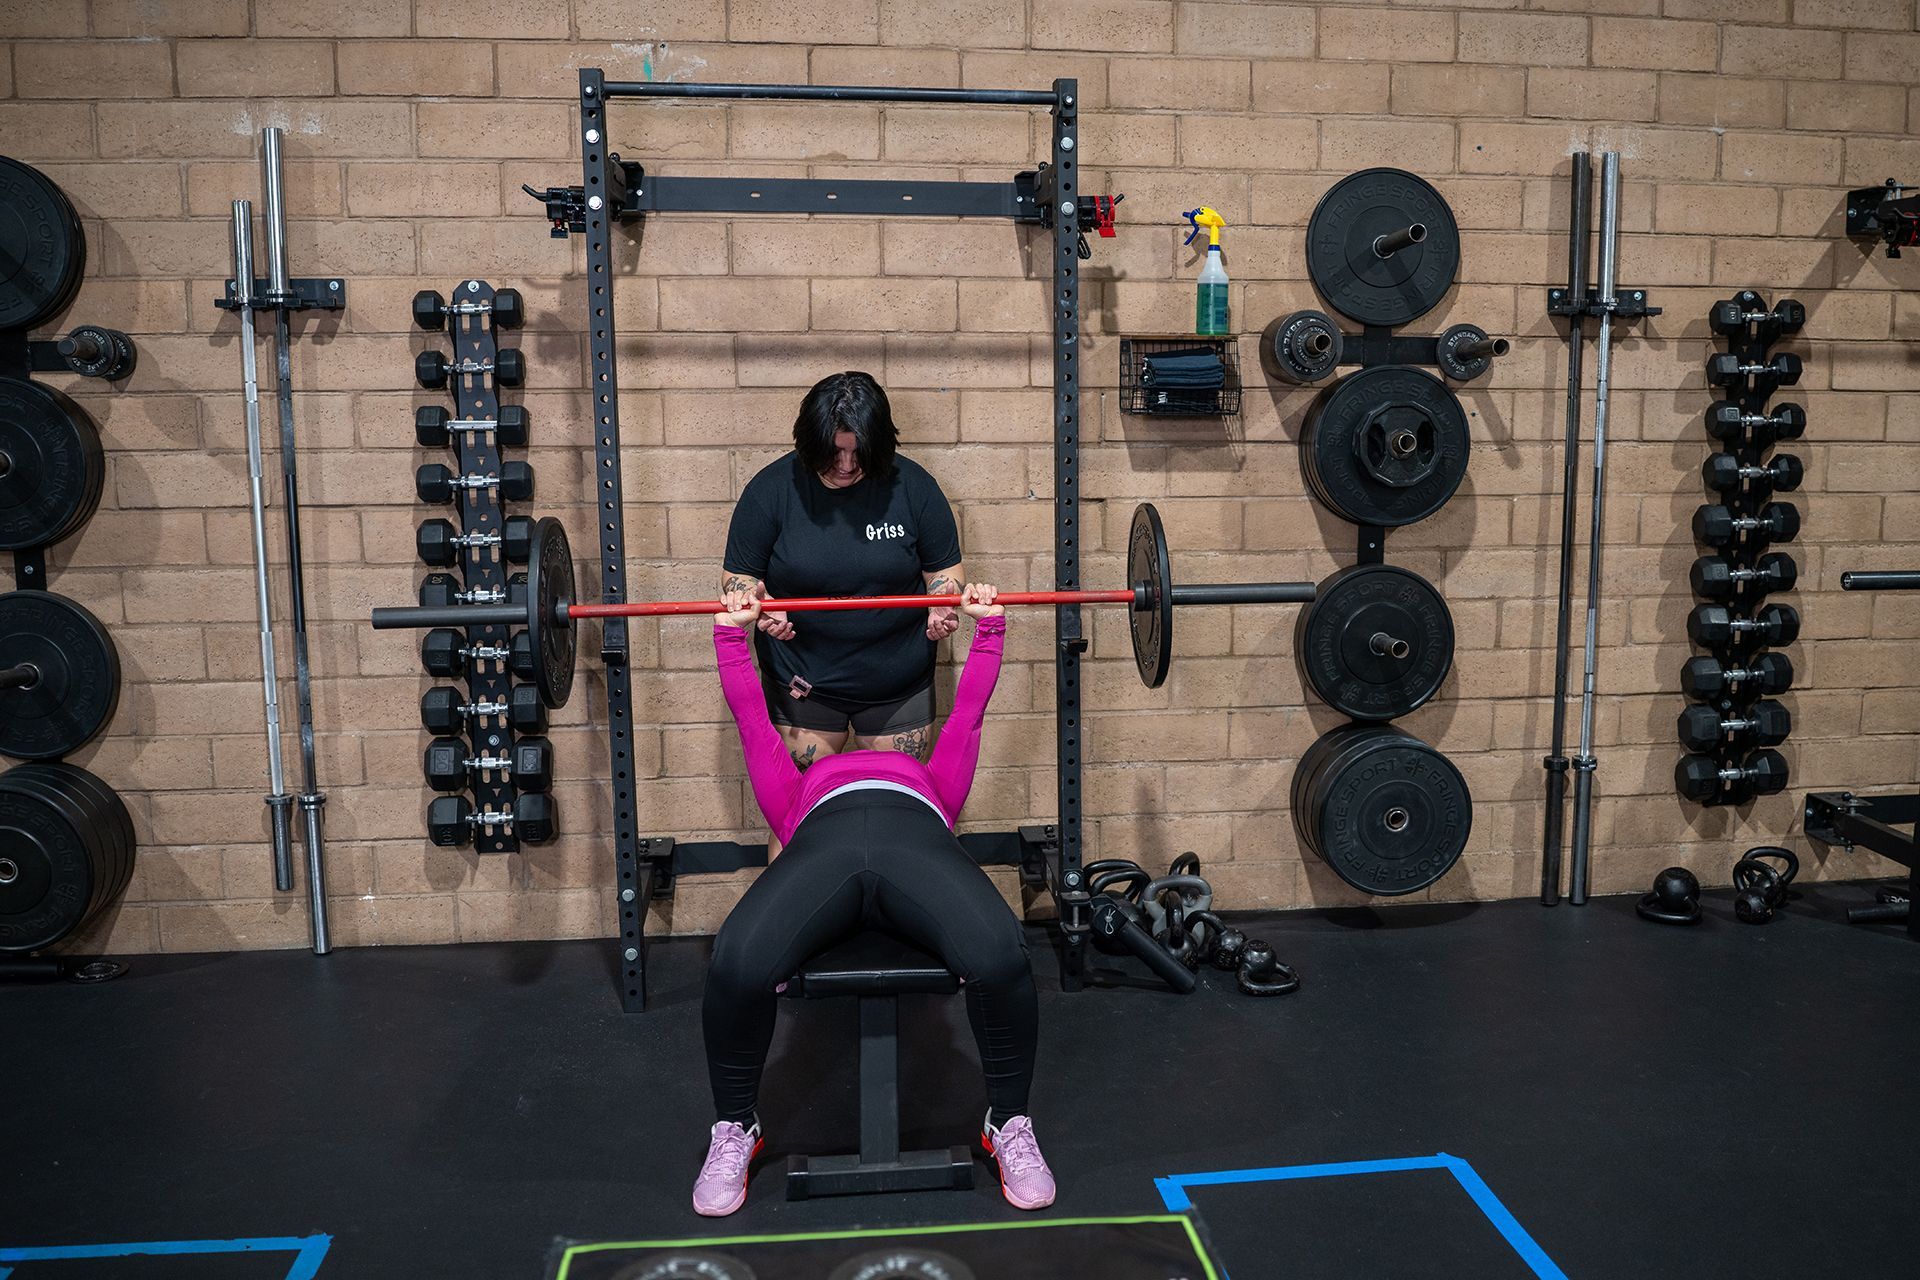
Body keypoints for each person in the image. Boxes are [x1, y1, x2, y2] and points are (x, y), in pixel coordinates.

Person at [693, 584, 1053, 1217]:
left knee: (1001, 954)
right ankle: (734, 1130)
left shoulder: (936, 782)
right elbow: (753, 718)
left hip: (913, 837)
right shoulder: (791, 794)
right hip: (823, 848)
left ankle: (1008, 1125)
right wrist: (731, 633)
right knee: (736, 961)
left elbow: (967, 713)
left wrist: (990, 628)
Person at [721, 371, 966, 771]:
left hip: (897, 684)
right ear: (810, 443)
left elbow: (945, 571)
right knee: (800, 815)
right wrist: (759, 604)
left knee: (897, 811)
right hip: (802, 685)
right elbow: (739, 577)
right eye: (834, 453)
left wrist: (942, 601)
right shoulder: (771, 490)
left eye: (859, 454)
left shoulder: (915, 487)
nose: (847, 466)